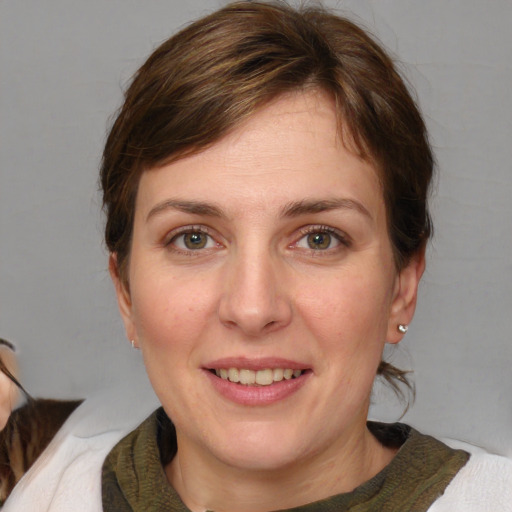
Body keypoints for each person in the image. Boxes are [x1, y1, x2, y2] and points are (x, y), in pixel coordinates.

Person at [3, 1, 511, 511]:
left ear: (402, 286)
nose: (252, 309)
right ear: (125, 291)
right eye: (194, 239)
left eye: (319, 239)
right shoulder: (38, 493)